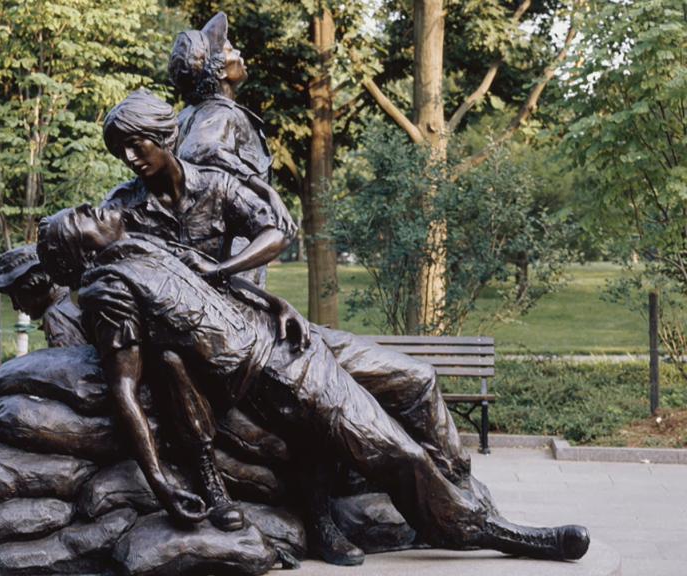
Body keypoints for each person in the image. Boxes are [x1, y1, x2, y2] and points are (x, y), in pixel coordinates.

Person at [36, 203, 591, 564]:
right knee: (399, 455)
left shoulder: (145, 244)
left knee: (417, 379)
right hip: (277, 375)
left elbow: (223, 286)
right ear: (80, 250)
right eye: (80, 216)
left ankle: (451, 494)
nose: (94, 206)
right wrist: (160, 483)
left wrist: (280, 303)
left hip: (297, 335)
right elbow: (125, 392)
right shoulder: (108, 293)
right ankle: (498, 533)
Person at [97, 88, 469, 564]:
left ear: (163, 136)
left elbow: (274, 231)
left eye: (137, 144)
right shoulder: (122, 209)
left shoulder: (215, 185)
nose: (130, 158)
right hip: (206, 348)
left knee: (417, 377)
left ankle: (459, 486)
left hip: (257, 317)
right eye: (120, 150)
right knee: (306, 403)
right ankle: (319, 524)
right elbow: (103, 267)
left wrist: (253, 288)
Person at [167, 12, 296, 288]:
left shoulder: (186, 116)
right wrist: (265, 190)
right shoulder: (223, 114)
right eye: (229, 49)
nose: (238, 52)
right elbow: (199, 149)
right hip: (232, 258)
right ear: (220, 69)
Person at [0, 245, 87, 348]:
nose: (15, 306)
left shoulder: (56, 316)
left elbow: (71, 362)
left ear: (32, 284)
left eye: (15, 295)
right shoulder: (73, 298)